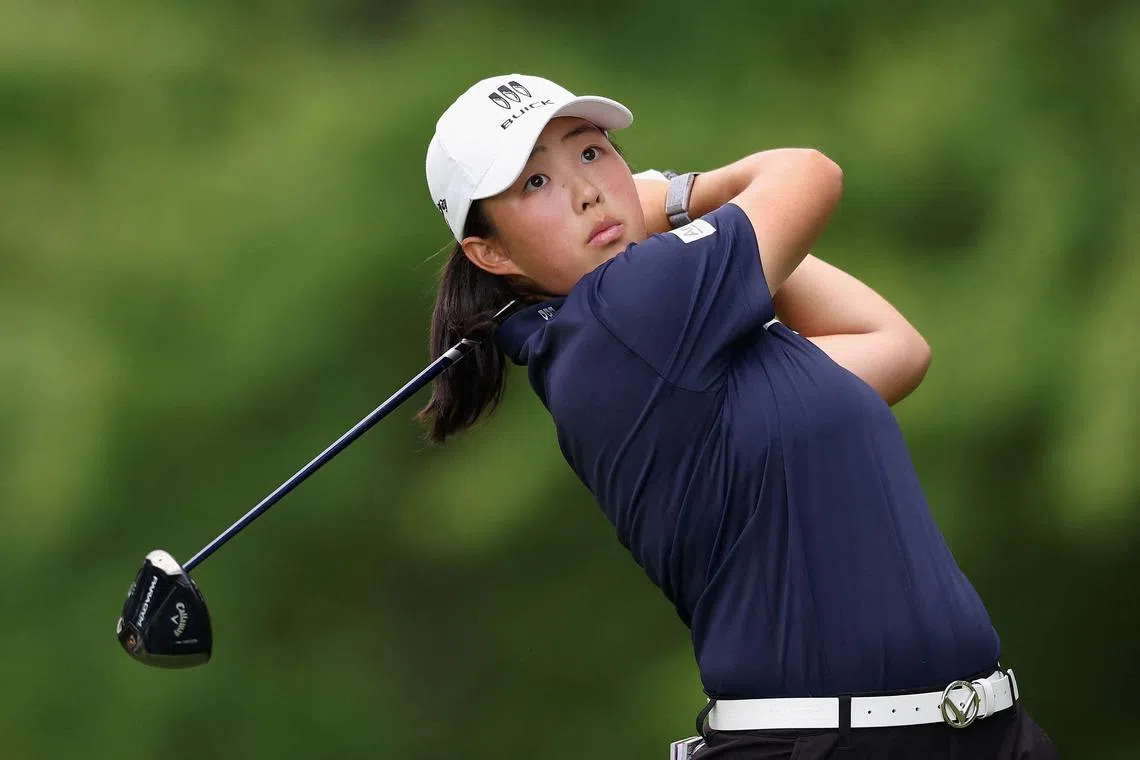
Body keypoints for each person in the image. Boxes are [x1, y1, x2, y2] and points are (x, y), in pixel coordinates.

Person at [418, 73, 1057, 759]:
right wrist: (681, 198)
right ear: (492, 254)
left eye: (591, 152)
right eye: (534, 184)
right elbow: (809, 174)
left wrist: (702, 236)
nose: (585, 190)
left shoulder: (668, 347)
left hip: (983, 734)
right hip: (827, 746)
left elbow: (894, 350)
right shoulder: (620, 315)